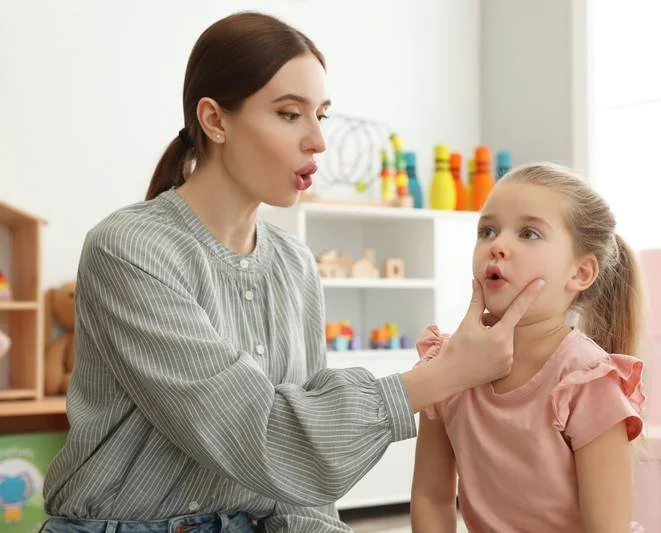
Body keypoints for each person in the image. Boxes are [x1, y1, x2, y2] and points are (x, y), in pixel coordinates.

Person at [39, 11, 546, 533]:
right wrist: (443, 375)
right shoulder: (130, 249)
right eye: (288, 114)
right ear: (215, 121)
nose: (317, 142)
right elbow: (259, 434)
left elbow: (298, 487)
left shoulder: (294, 264)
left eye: (320, 116)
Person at [409, 162, 647, 532]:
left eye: (529, 234)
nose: (498, 246)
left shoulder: (588, 381)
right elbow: (431, 496)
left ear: (580, 273)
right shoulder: (445, 366)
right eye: (487, 230)